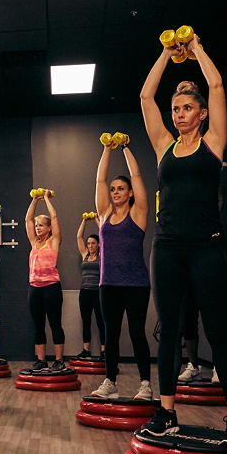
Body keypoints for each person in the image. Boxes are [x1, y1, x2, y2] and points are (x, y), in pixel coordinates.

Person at [139, 32, 227, 438]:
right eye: (176, 108)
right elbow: (146, 97)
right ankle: (166, 412)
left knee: (218, 331)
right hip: (167, 249)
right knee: (169, 332)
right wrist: (164, 52)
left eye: (186, 108)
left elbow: (215, 84)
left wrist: (195, 48)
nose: (179, 114)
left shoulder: (214, 143)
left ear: (201, 114)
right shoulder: (163, 146)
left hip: (207, 248)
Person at [90, 141, 152, 401]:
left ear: (130, 194)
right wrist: (106, 148)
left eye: (121, 189)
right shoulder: (104, 214)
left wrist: (126, 147)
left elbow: (136, 176)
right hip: (108, 283)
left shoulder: (138, 212)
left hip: (136, 283)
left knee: (137, 333)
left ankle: (146, 385)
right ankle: (110, 382)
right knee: (110, 333)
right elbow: (99, 180)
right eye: (114, 189)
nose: (115, 192)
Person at [25, 190, 65, 371]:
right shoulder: (33, 241)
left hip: (51, 288)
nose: (37, 227)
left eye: (41, 225)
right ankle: (41, 360)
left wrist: (47, 199)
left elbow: (55, 217)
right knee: (37, 326)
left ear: (48, 228)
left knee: (55, 324)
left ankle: (59, 360)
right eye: (37, 225)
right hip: (34, 288)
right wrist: (34, 200)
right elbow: (27, 220)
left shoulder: (54, 241)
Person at [75, 218, 104, 360]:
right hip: (84, 292)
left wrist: (97, 220)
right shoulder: (85, 255)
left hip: (98, 292)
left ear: (98, 244)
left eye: (93, 243)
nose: (91, 245)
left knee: (100, 321)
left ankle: (103, 351)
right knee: (86, 321)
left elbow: (104, 234)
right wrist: (85, 221)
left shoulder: (102, 255)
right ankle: (86, 350)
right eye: (89, 243)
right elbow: (78, 236)